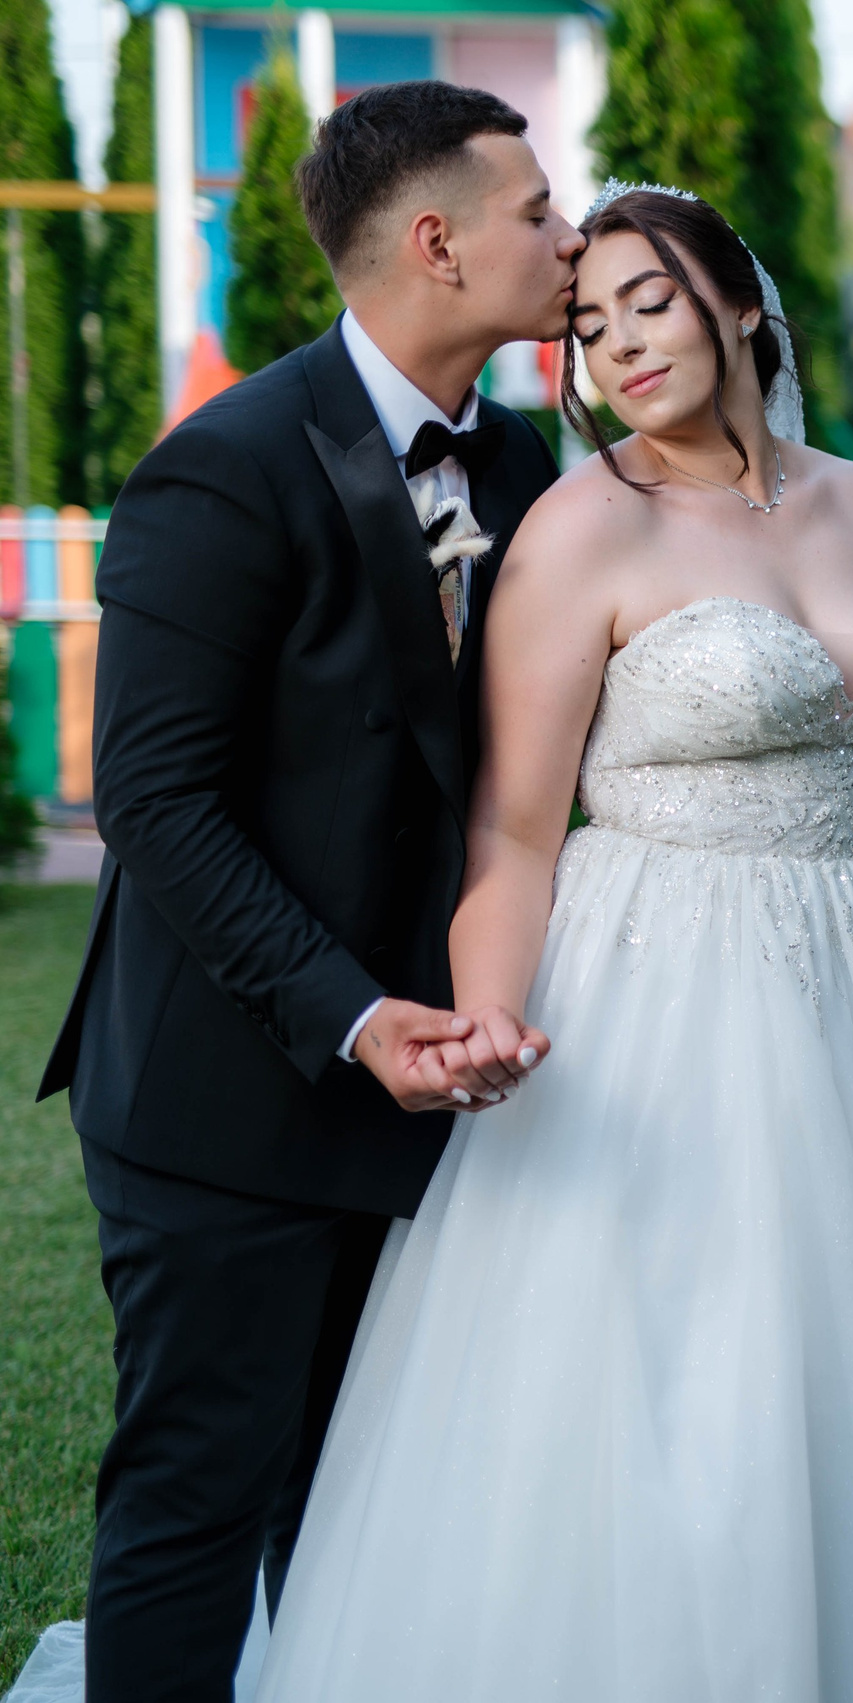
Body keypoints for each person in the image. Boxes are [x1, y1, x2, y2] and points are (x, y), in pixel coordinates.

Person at [246, 186, 853, 1701]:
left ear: (739, 305)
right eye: (589, 322)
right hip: (662, 996)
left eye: (652, 301)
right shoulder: (581, 529)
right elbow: (513, 832)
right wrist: (489, 1016)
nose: (619, 342)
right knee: (689, 1384)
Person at [26, 82, 580, 1702]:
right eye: (537, 210)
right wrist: (351, 1017)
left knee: (361, 1516)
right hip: (227, 1094)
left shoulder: (522, 458)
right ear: (437, 243)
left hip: (436, 1095)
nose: (567, 235)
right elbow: (156, 803)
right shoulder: (224, 469)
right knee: (202, 1496)